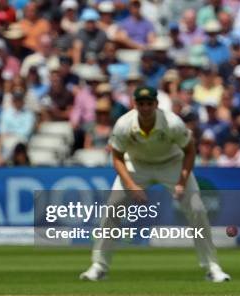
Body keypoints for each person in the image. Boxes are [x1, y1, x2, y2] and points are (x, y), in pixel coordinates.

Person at [80, 86, 231, 283]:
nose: (145, 108)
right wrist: (132, 185)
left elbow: (190, 151)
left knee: (197, 208)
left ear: (156, 104)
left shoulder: (173, 123)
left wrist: (181, 181)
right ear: (135, 105)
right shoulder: (124, 124)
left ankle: (212, 267)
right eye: (141, 104)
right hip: (136, 165)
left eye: (149, 104)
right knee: (112, 208)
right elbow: (117, 157)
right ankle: (99, 266)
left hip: (171, 165)